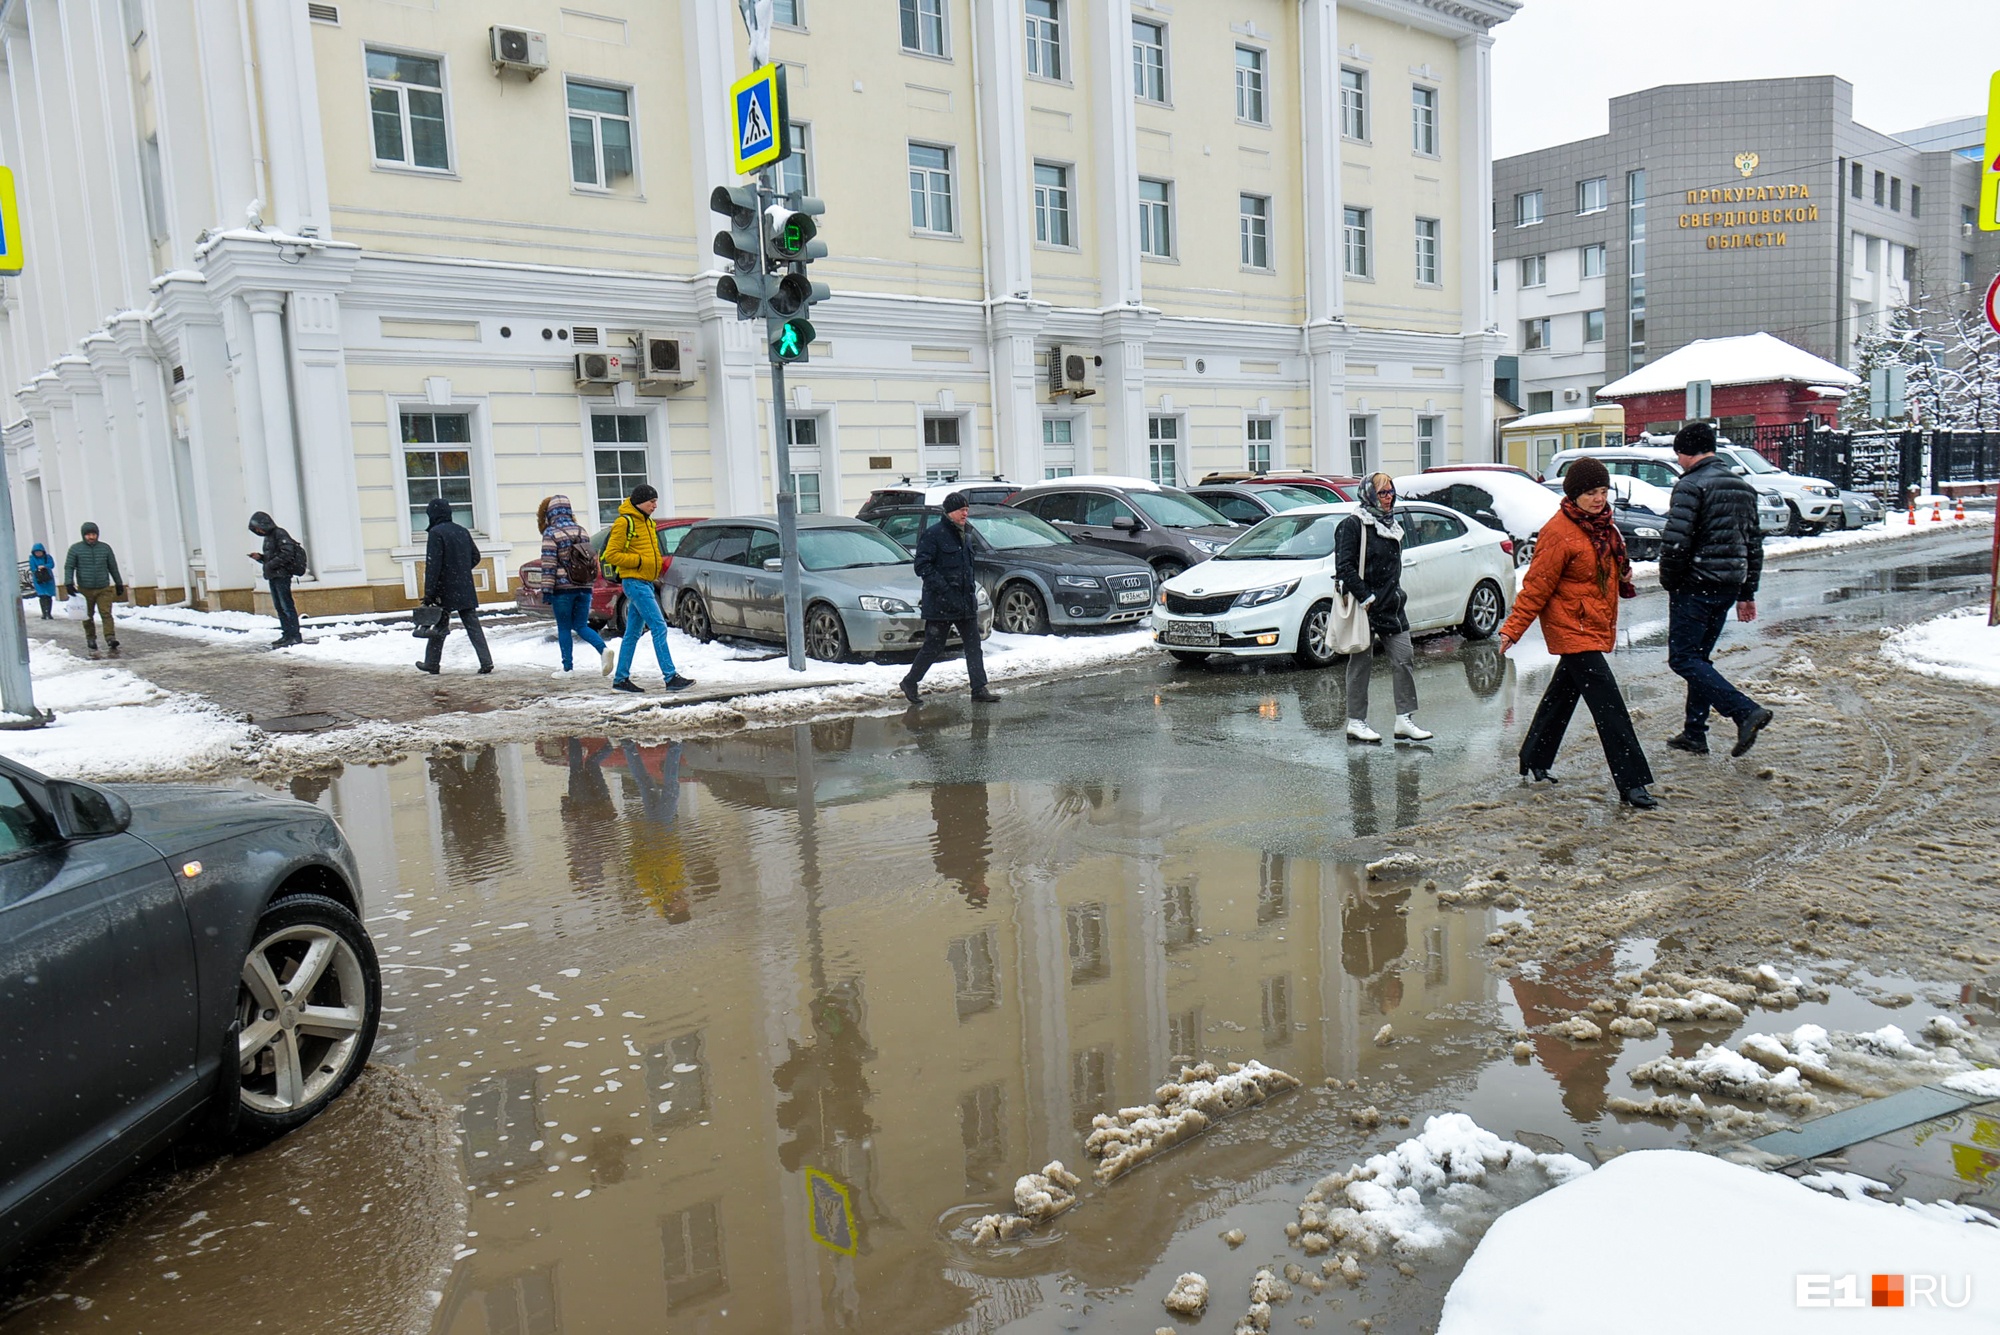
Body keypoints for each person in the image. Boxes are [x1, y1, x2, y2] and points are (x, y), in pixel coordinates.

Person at [1497, 457, 1658, 809]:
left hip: (1591, 622)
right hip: (1572, 627)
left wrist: (1623, 576)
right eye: (1590, 493)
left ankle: (1535, 758)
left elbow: (1609, 566)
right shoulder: (1558, 532)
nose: (1599, 499)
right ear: (1574, 494)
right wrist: (1513, 629)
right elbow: (1536, 587)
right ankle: (1632, 783)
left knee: (1562, 695)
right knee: (1611, 707)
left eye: (1603, 491)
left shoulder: (1604, 527)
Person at [1659, 422, 1773, 758]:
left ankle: (1743, 711)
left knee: (1683, 659)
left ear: (1686, 451)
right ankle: (1695, 733)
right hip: (1727, 585)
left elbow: (1676, 543)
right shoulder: (1741, 486)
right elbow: (1753, 544)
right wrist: (1747, 592)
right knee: (1699, 660)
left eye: (1678, 454)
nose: (1678, 461)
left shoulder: (1691, 486)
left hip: (1695, 585)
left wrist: (1671, 581)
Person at [1333, 473, 1430, 743]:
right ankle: (1356, 721)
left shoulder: (1391, 525)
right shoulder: (1353, 525)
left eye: (1391, 492)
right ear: (1369, 495)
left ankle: (1404, 719)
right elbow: (1344, 568)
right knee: (1360, 664)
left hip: (1392, 604)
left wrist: (1392, 596)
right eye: (1383, 493)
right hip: (1366, 607)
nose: (1389, 498)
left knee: (1404, 658)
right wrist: (1367, 597)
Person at [901, 492, 998, 705]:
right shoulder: (934, 534)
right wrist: (944, 590)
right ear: (950, 512)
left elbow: (967, 568)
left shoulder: (966, 534)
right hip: (941, 604)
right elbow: (922, 566)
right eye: (961, 510)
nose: (966, 513)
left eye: (967, 509)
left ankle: (979, 688)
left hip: (965, 602)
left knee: (973, 646)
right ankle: (910, 682)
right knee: (933, 647)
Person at [600, 484, 694, 694]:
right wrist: (641, 561)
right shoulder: (625, 523)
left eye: (656, 501)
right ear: (640, 502)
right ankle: (671, 678)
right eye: (651, 501)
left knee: (632, 633)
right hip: (634, 582)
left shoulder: (647, 523)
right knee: (659, 627)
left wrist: (655, 566)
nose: (655, 505)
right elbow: (611, 554)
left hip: (646, 582)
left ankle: (620, 679)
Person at [414, 496, 493, 675]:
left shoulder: (436, 533)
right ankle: (486, 661)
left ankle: (432, 663)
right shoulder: (462, 531)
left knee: (439, 626)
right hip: (465, 586)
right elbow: (476, 556)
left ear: (433, 514)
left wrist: (429, 593)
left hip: (445, 589)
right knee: (473, 626)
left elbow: (433, 566)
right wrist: (461, 570)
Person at [538, 494, 608, 676]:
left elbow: (548, 564)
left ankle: (567, 669)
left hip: (563, 590)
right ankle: (603, 650)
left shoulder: (551, 533)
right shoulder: (581, 531)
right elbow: (590, 559)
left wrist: (546, 590)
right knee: (581, 625)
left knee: (564, 627)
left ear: (551, 512)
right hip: (584, 587)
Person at [62, 521, 123, 657]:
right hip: (85, 589)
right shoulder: (75, 549)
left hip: (104, 587)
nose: (91, 537)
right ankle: (91, 638)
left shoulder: (105, 548)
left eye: (93, 534)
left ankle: (110, 638)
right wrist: (68, 583)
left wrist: (119, 583)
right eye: (88, 534)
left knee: (106, 613)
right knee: (87, 615)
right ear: (83, 535)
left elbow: (113, 567)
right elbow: (69, 567)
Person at [247, 510, 306, 648]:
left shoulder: (279, 533)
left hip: (282, 575)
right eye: (256, 529)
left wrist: (270, 564)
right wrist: (261, 558)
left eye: (258, 527)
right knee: (280, 607)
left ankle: (294, 635)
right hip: (274, 575)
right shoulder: (269, 537)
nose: (258, 531)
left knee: (286, 606)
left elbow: (287, 553)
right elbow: (274, 555)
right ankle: (286, 634)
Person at [26, 543, 54, 619]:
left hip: (48, 579)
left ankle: (49, 612)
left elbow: (51, 565)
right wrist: (37, 569)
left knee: (48, 596)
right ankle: (44, 613)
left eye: (39, 552)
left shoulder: (48, 557)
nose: (38, 553)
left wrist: (44, 566)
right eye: (36, 552)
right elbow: (32, 567)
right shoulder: (32, 558)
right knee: (42, 596)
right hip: (39, 579)